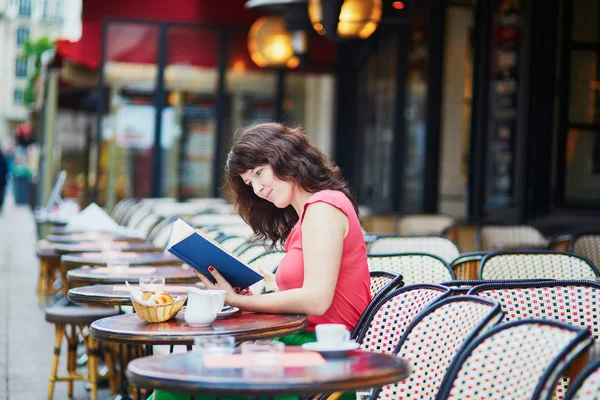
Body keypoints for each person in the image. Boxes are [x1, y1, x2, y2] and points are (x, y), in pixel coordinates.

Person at [150, 123, 371, 400]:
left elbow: (316, 301)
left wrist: (238, 300)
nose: (257, 188)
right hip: (296, 346)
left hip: (323, 361)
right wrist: (253, 296)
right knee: (179, 377)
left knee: (180, 381)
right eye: (249, 182)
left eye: (258, 173)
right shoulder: (307, 217)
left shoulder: (324, 206)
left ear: (287, 157)